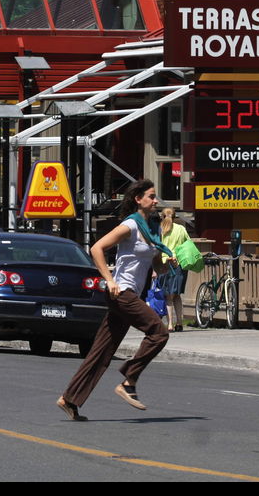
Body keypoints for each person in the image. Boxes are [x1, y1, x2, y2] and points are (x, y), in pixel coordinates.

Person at [56, 179, 174, 421]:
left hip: (131, 293)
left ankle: (69, 399)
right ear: (137, 199)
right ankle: (129, 380)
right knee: (159, 332)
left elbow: (155, 266)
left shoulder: (153, 228)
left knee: (102, 351)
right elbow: (97, 248)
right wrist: (110, 280)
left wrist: (167, 263)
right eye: (151, 196)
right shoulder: (130, 225)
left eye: (155, 196)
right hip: (121, 293)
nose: (155, 201)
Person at [156, 207, 191, 332]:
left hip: (164, 264)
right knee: (177, 295)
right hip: (179, 264)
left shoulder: (159, 230)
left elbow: (155, 248)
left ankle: (170, 324)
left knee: (168, 296)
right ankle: (179, 323)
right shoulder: (181, 229)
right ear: (175, 216)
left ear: (162, 216)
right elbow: (188, 245)